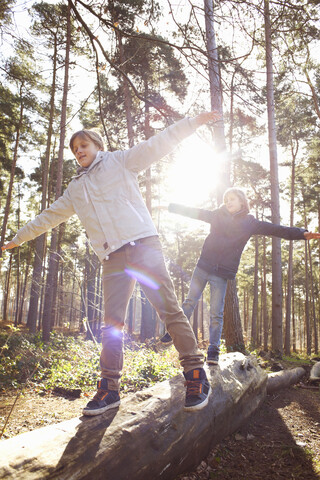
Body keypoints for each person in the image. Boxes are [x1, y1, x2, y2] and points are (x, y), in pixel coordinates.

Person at [1, 111, 221, 415]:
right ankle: (109, 388)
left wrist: (192, 123)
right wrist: (18, 239)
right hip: (112, 257)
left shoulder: (120, 161)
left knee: (169, 310)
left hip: (143, 244)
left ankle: (195, 374)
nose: (79, 151)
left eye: (84, 145)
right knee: (112, 324)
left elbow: (159, 143)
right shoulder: (76, 189)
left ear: (97, 145)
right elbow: (48, 216)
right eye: (74, 148)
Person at [160, 187, 320, 363]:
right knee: (190, 301)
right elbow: (195, 212)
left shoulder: (250, 223)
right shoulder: (217, 215)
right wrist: (169, 207)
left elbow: (276, 229)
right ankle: (174, 331)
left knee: (216, 313)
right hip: (203, 267)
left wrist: (302, 234)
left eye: (232, 199)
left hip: (221, 274)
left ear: (242, 202)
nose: (228, 202)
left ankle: (213, 351)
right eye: (226, 199)